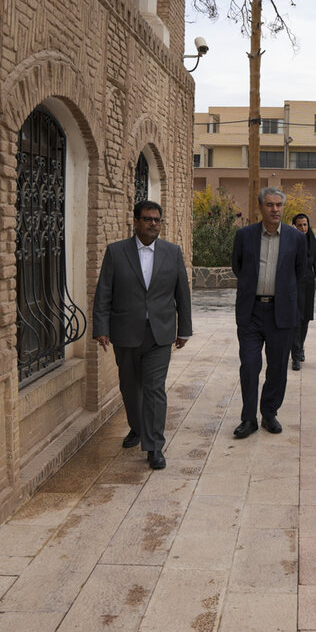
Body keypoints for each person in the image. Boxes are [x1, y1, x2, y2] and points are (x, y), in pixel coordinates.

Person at [93, 200, 192, 470]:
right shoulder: (116, 252)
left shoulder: (172, 252)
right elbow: (104, 292)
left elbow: (182, 293)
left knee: (154, 388)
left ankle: (154, 446)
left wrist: (184, 329)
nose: (153, 224)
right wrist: (101, 328)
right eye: (148, 219)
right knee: (130, 387)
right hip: (125, 331)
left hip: (159, 333)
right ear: (135, 221)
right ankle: (137, 428)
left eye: (157, 220)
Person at [231, 187, 307, 438]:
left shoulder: (296, 238)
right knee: (249, 365)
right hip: (251, 311)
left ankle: (269, 413)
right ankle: (248, 419)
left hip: (281, 311)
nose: (275, 209)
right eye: (270, 205)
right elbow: (238, 266)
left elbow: (300, 272)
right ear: (260, 207)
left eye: (279, 205)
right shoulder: (244, 236)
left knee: (277, 367)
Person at [291, 213, 316, 371]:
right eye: (299, 225)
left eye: (305, 224)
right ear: (295, 226)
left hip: (307, 287)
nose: (303, 228)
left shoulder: (312, 243)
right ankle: (295, 356)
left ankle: (300, 348)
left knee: (305, 320)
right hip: (293, 287)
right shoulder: (290, 243)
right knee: (295, 320)